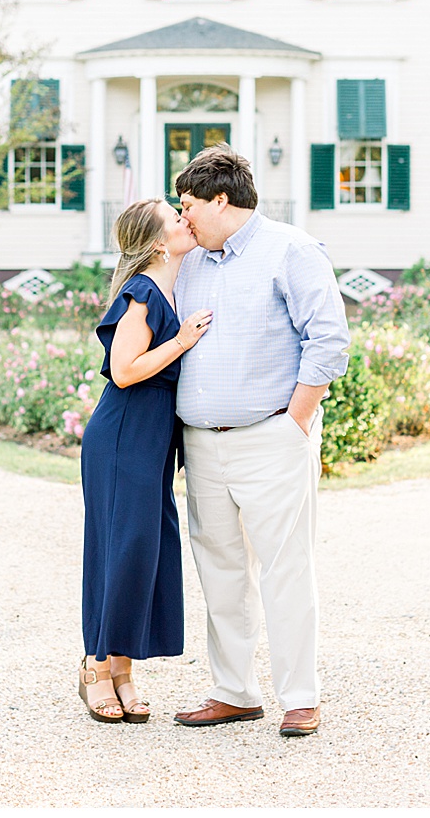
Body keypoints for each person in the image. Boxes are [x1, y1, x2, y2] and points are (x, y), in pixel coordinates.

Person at [168, 146, 350, 738]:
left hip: (272, 436)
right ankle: (234, 691)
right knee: (219, 571)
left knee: (285, 568)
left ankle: (300, 696)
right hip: (203, 444)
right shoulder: (190, 260)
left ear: (222, 200)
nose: (182, 215)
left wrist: (295, 422)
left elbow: (328, 340)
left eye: (189, 204)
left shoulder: (291, 250)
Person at [78, 199, 215, 723]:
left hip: (152, 442)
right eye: (174, 217)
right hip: (121, 440)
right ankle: (96, 666)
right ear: (158, 242)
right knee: (119, 550)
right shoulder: (142, 293)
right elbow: (125, 370)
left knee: (144, 553)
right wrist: (181, 341)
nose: (186, 219)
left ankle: (124, 671)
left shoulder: (175, 287)